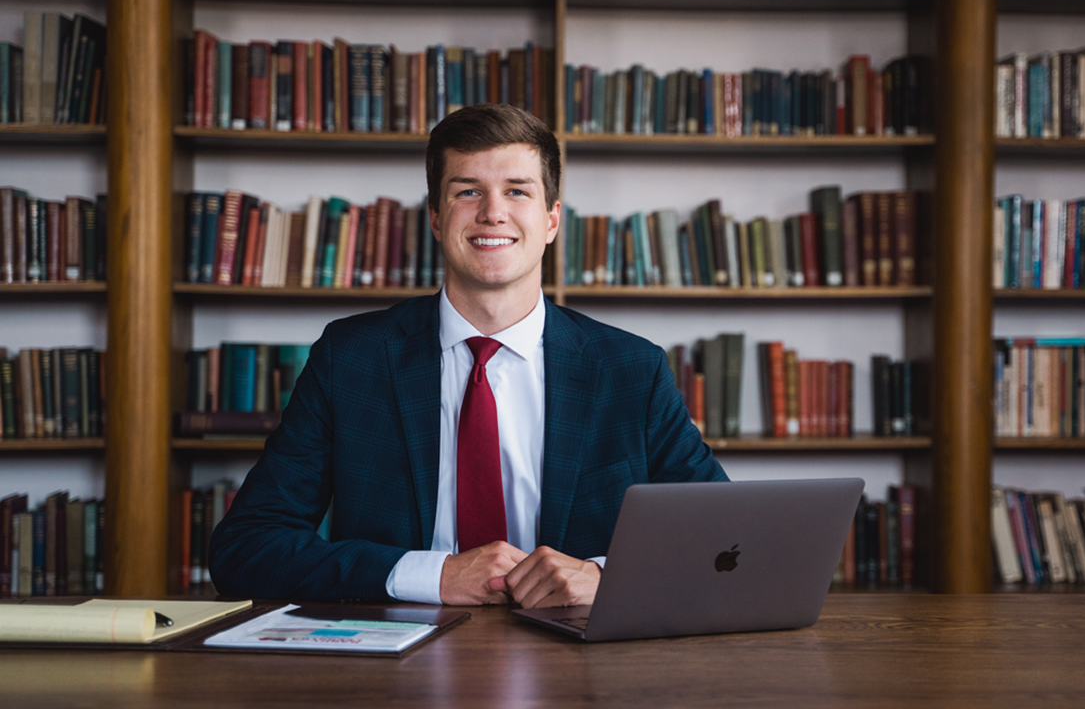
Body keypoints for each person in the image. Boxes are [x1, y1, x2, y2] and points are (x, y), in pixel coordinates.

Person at [209, 103, 728, 609]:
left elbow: (723, 541)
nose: (492, 212)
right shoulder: (349, 359)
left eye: (517, 191)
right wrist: (433, 574)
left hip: (579, 664)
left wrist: (603, 576)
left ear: (551, 220)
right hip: (401, 666)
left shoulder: (631, 369)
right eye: (468, 191)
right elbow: (246, 548)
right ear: (436, 218)